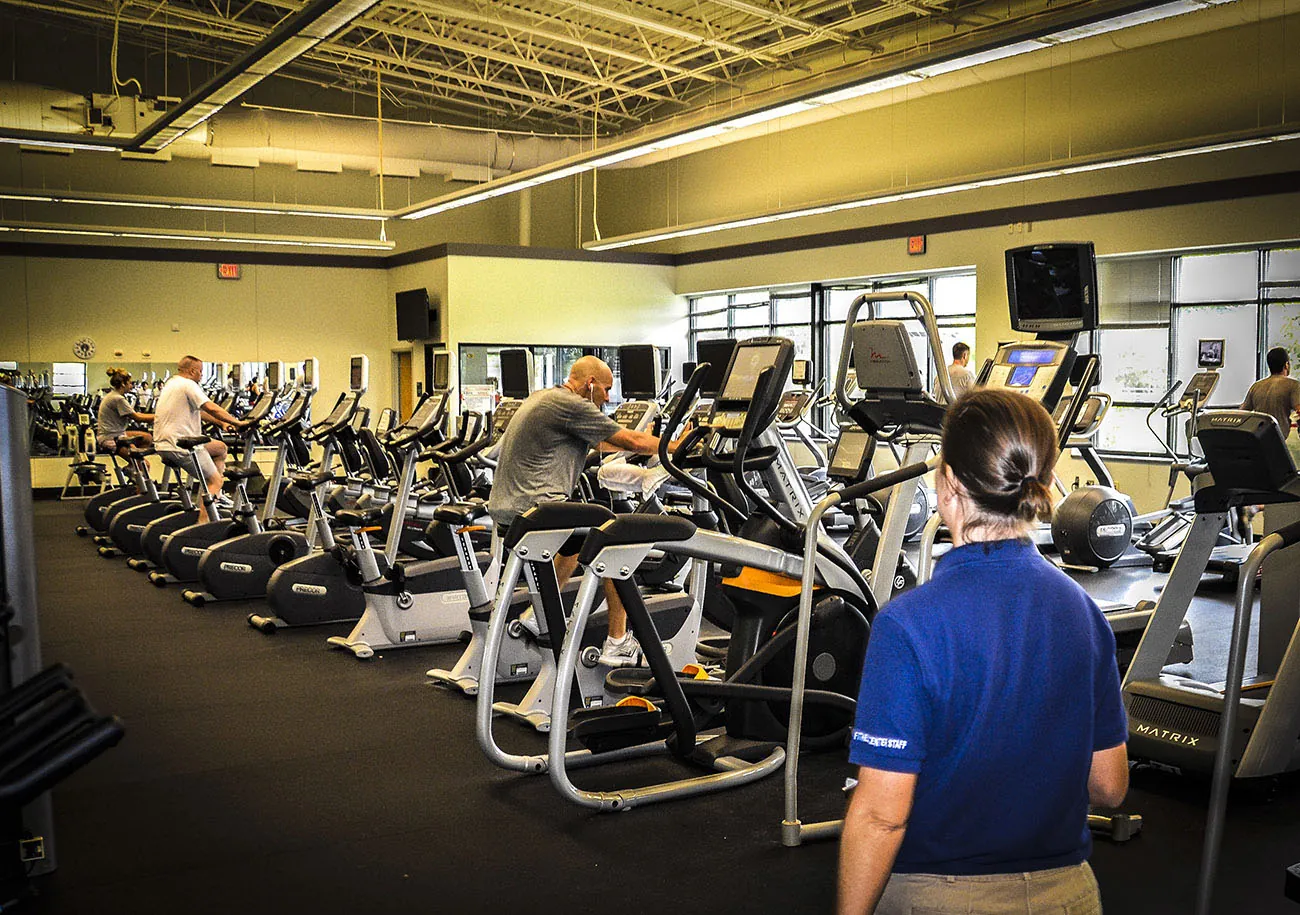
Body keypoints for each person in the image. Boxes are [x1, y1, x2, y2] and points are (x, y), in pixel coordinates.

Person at [837, 388, 1129, 915]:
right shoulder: (1083, 613)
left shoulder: (907, 626)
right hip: (1069, 895)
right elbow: (1109, 788)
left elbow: (882, 816)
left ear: (947, 483)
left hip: (938, 895)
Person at [487, 354, 682, 664]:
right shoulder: (572, 405)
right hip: (537, 510)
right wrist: (680, 445)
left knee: (579, 541)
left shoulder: (544, 397)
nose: (607, 398)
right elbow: (631, 440)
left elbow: (602, 443)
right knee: (615, 534)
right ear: (590, 384)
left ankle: (537, 615)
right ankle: (617, 641)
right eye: (605, 389)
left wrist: (640, 444)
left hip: (510, 510)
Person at [153, 355, 248, 502]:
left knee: (220, 448)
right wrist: (237, 423)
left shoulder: (171, 383)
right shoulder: (189, 384)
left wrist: (222, 423)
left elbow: (200, 412)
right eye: (200, 372)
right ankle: (206, 520)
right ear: (192, 371)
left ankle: (216, 496)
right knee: (214, 481)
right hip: (180, 446)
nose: (202, 375)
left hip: (164, 444)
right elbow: (210, 407)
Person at [1242, 346, 1300, 461]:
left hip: (1259, 441)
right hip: (1281, 442)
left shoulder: (1256, 386)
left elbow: (1242, 413)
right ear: (1286, 365)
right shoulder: (1293, 385)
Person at [96, 368, 155, 454]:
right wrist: (160, 416)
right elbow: (137, 418)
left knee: (148, 438)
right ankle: (135, 462)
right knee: (144, 465)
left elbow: (134, 414)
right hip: (111, 438)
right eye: (130, 383)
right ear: (123, 384)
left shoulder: (113, 395)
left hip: (117, 434)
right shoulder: (118, 399)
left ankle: (133, 464)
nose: (131, 386)